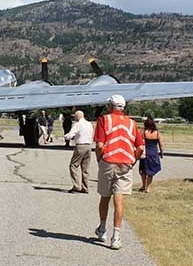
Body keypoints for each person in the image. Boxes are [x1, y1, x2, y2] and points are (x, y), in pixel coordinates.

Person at [94, 95, 144, 250]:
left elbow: (100, 145)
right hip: (125, 163)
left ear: (110, 106)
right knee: (119, 198)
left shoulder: (104, 120)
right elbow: (140, 147)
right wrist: (132, 161)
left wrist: (99, 159)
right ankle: (116, 236)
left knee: (105, 196)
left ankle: (102, 229)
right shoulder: (132, 123)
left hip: (108, 161)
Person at [63, 110, 93, 193]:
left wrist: (66, 137)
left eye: (75, 116)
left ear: (78, 116)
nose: (74, 118)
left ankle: (76, 186)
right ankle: (85, 187)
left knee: (74, 165)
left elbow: (71, 134)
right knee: (85, 168)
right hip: (88, 145)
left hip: (80, 145)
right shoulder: (89, 124)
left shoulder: (78, 124)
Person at [138, 118, 164, 193]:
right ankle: (148, 187)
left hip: (145, 153)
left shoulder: (143, 132)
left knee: (143, 170)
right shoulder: (157, 133)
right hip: (153, 153)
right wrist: (162, 153)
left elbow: (139, 142)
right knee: (151, 171)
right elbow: (161, 144)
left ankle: (143, 185)